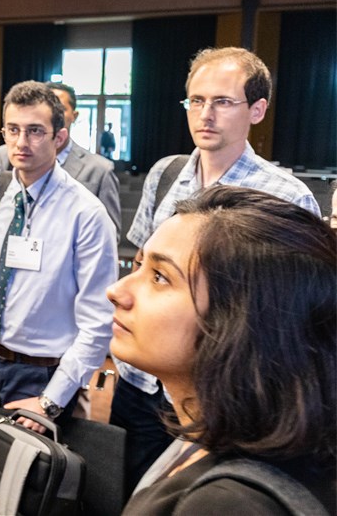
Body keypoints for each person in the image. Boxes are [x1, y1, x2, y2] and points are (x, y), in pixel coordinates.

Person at [112, 46, 322, 491]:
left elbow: (287, 316)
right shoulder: (165, 174)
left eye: (223, 102)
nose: (205, 114)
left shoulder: (285, 196)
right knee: (134, 493)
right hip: (145, 381)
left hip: (223, 389)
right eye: (197, 100)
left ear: (257, 110)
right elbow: (144, 261)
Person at [111, 186, 335, 514]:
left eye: (159, 277)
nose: (117, 291)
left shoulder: (228, 503)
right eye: (139, 265)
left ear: (238, 320)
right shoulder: (210, 435)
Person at [0, 81, 117, 452]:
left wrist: (52, 399)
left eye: (35, 131)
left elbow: (98, 321)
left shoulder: (86, 214)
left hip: (39, 374)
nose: (21, 142)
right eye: (13, 130)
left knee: (19, 479)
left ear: (60, 138)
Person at [0, 83, 120, 234]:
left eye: (60, 108)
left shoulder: (99, 169)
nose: (54, 114)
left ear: (74, 116)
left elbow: (108, 233)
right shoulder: (5, 155)